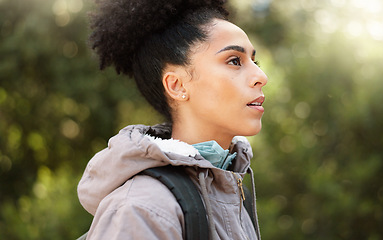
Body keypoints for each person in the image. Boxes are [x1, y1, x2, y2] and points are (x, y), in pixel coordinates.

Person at [77, 0, 268, 239]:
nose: (261, 76)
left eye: (254, 61)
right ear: (176, 85)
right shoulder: (142, 209)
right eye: (234, 61)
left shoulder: (235, 194)